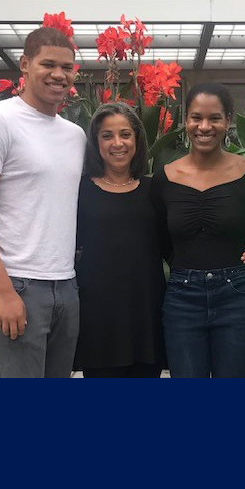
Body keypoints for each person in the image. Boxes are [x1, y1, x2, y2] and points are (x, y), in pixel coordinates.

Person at [0, 27, 86, 378]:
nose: (59, 75)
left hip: (66, 286)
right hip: (16, 284)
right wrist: (3, 290)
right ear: (25, 65)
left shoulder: (74, 135)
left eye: (68, 67)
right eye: (48, 64)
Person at [151, 82, 245, 378]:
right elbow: (161, 241)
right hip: (182, 297)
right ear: (185, 121)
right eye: (196, 117)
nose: (205, 126)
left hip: (237, 295)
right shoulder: (164, 178)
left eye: (215, 118)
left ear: (228, 120)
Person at [74, 102, 167, 378]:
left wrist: (240, 252)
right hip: (98, 319)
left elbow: (177, 244)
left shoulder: (155, 190)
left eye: (125, 134)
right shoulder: (79, 189)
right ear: (96, 142)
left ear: (137, 139)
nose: (118, 143)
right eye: (107, 136)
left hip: (145, 314)